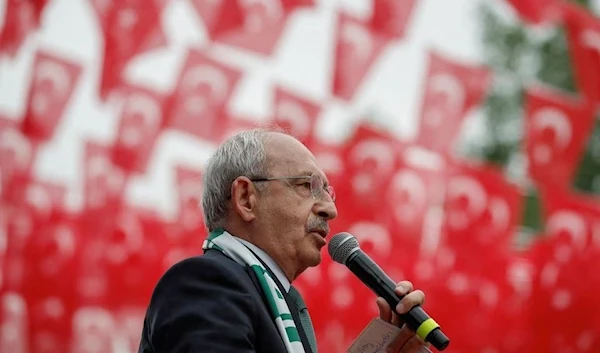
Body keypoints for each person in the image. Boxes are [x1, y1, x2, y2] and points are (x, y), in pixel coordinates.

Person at [138, 128, 431, 353]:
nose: (330, 209)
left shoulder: (272, 300)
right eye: (307, 186)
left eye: (329, 193)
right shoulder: (204, 283)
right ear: (246, 198)